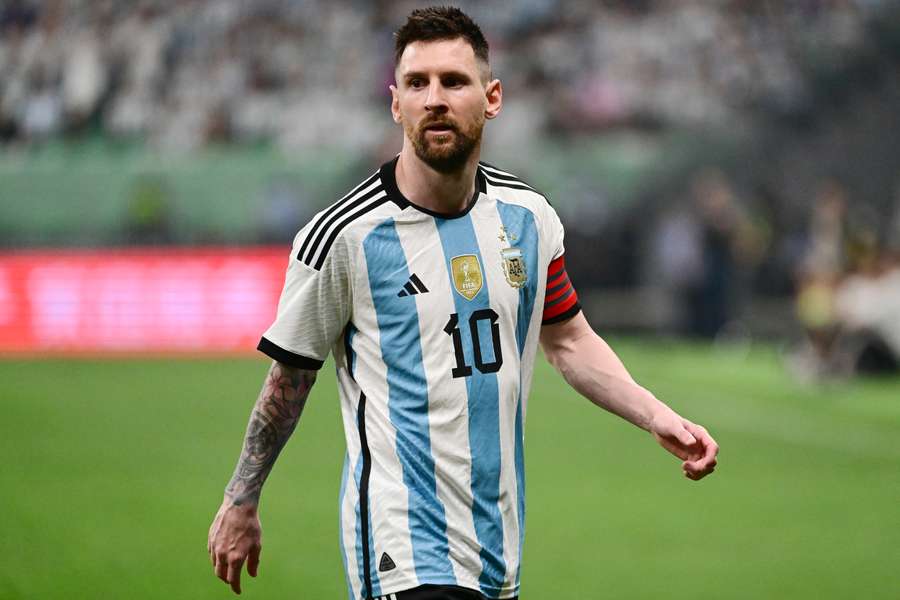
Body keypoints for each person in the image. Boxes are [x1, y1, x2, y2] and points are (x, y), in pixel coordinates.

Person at [207, 7, 719, 600]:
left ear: (493, 97)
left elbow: (570, 339)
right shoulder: (344, 237)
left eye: (454, 81)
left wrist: (655, 414)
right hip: (401, 547)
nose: (435, 99)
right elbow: (287, 381)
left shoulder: (528, 219)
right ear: (395, 103)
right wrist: (240, 500)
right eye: (417, 84)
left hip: (496, 548)